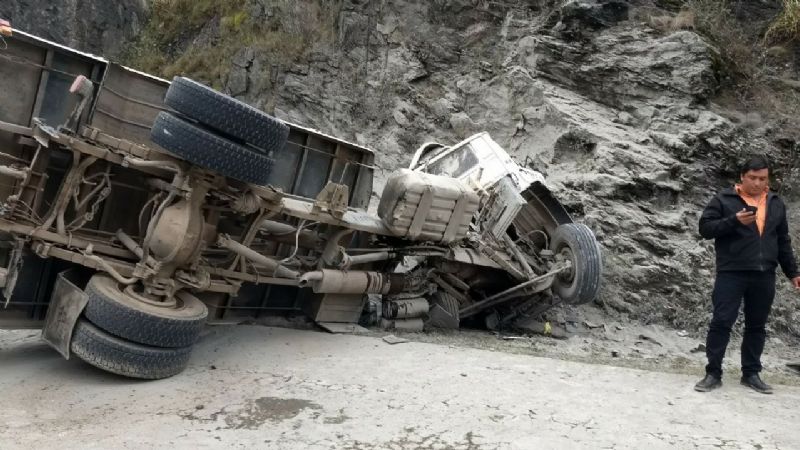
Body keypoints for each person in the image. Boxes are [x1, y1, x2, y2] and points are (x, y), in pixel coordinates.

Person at [695, 155, 800, 394]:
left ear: (768, 179)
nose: (757, 183)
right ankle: (713, 373)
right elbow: (706, 229)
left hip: (764, 274)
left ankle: (751, 374)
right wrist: (734, 221)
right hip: (731, 272)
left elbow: (783, 241)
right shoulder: (723, 199)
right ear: (742, 176)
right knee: (722, 322)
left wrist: (793, 272)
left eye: (762, 178)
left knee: (757, 325)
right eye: (752, 178)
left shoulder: (775, 202)